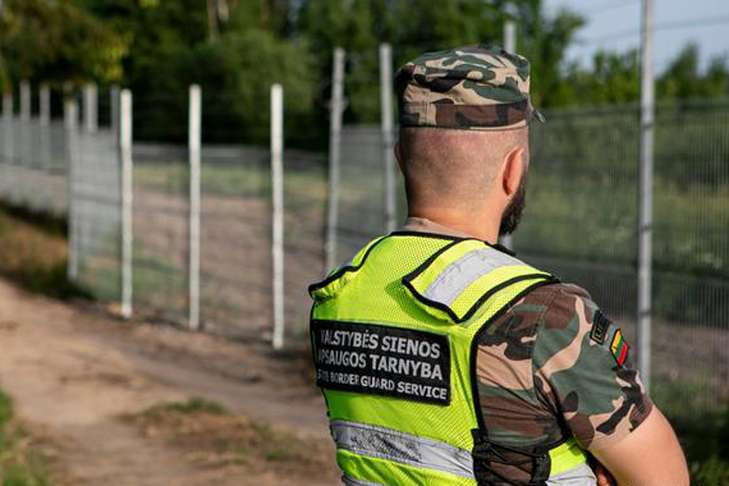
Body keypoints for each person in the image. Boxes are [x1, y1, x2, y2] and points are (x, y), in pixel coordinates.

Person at [308, 45, 688, 486]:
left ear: (400, 160)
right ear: (514, 169)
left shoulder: (339, 294)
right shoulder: (546, 317)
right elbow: (664, 478)